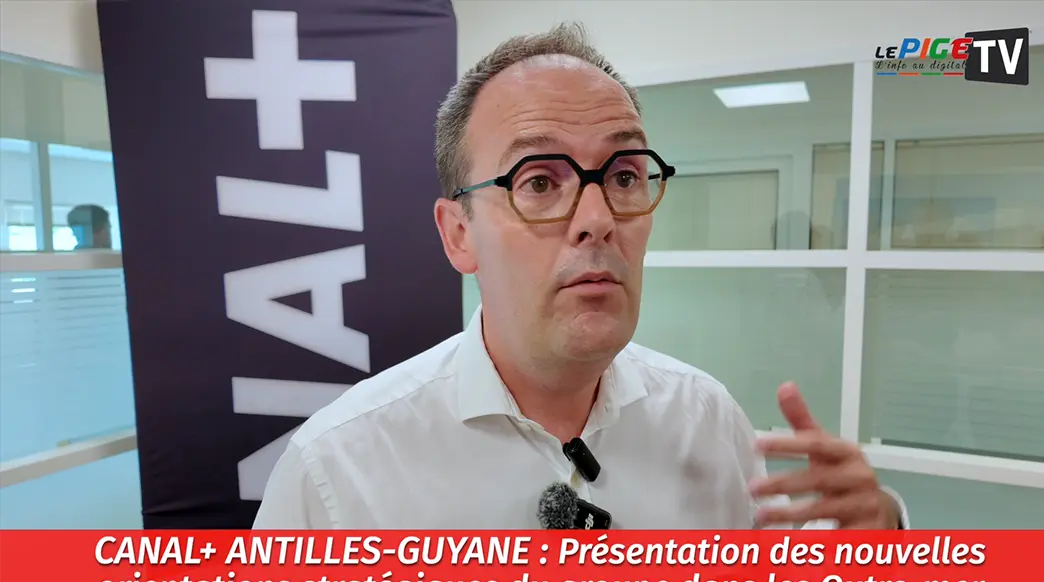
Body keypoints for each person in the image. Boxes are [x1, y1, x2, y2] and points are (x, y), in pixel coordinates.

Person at [254, 23, 908, 530]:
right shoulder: (337, 474)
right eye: (539, 182)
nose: (598, 220)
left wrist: (877, 540)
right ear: (458, 234)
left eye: (624, 176)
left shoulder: (707, 422)